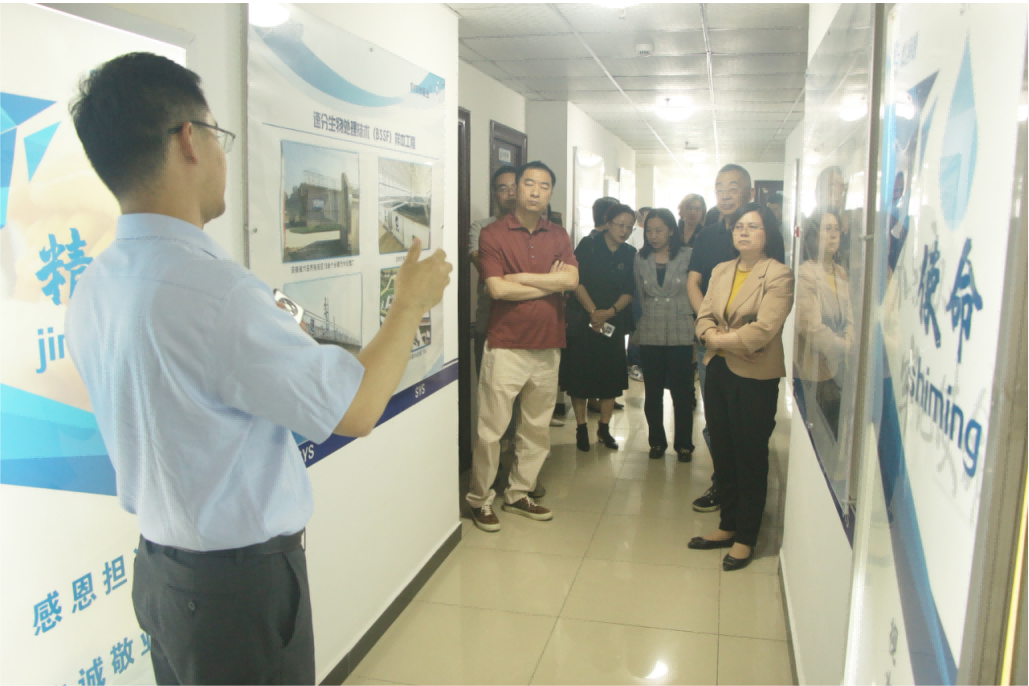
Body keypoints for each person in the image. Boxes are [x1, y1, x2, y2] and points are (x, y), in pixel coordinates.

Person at [64, 53, 452, 686]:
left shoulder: (97, 282)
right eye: (218, 135)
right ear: (188, 139)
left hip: (162, 577)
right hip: (236, 593)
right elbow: (357, 411)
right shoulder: (215, 292)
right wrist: (409, 304)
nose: (222, 155)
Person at [467, 161, 579, 532]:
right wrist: (550, 283)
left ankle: (518, 493)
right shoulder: (493, 233)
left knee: (536, 429)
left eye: (544, 186)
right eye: (529, 183)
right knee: (491, 430)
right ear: (516, 188)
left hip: (548, 345)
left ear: (550, 193)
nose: (535, 191)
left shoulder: (558, 234)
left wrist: (525, 279)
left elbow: (571, 280)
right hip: (506, 346)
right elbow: (497, 289)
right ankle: (480, 499)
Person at [688, 202, 794, 572]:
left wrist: (718, 339)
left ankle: (746, 537)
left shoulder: (779, 274)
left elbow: (764, 329)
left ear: (769, 234)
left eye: (753, 226)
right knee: (724, 451)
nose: (743, 232)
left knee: (749, 456)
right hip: (718, 369)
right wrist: (713, 336)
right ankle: (728, 525)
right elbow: (703, 316)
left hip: (755, 376)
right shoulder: (721, 270)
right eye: (739, 227)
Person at [686, 164, 754, 512]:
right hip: (711, 343)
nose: (725, 195)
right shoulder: (708, 235)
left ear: (750, 193)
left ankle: (746, 489)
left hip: (749, 344)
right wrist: (709, 325)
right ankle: (722, 484)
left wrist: (740, 331)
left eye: (733, 188)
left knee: (745, 420)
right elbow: (692, 282)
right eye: (720, 188)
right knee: (715, 419)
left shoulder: (763, 233)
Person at [561, 203, 636, 452]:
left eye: (629, 227)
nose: (624, 231)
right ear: (608, 223)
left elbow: (629, 290)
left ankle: (604, 428)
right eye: (620, 225)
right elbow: (576, 281)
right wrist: (594, 313)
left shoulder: (630, 253)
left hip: (613, 322)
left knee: (610, 378)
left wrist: (609, 313)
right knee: (580, 377)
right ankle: (581, 427)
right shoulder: (589, 245)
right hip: (585, 321)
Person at [634, 208, 696, 462]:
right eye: (649, 231)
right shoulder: (641, 258)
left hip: (682, 331)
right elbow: (639, 295)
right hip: (651, 331)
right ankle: (657, 442)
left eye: (659, 230)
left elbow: (695, 291)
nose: (653, 236)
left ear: (671, 230)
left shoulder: (689, 255)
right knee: (653, 393)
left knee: (682, 393)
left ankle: (684, 444)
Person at [794, 210, 854, 439]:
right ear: (813, 235)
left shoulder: (841, 272)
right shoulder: (805, 273)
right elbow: (811, 327)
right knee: (818, 436)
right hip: (814, 368)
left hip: (841, 366)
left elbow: (851, 317)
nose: (833, 235)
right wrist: (844, 347)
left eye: (836, 229)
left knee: (838, 434)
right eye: (827, 229)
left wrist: (850, 341)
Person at [470, 165, 517, 376]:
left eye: (514, 187)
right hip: (490, 320)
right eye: (503, 188)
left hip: (527, 324)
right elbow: (483, 266)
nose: (510, 193)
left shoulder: (538, 229)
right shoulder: (481, 228)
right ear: (495, 194)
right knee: (488, 384)